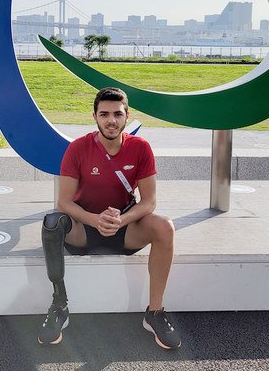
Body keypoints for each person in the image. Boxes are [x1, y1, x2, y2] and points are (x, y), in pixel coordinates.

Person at [38, 87, 180, 349]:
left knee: (165, 227)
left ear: (127, 116)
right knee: (52, 223)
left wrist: (121, 221)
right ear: (94, 117)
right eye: (104, 114)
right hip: (84, 228)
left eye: (117, 114)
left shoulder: (141, 148)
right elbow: (64, 202)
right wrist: (95, 220)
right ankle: (59, 306)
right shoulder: (78, 148)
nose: (111, 120)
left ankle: (155, 312)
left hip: (124, 228)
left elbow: (149, 201)